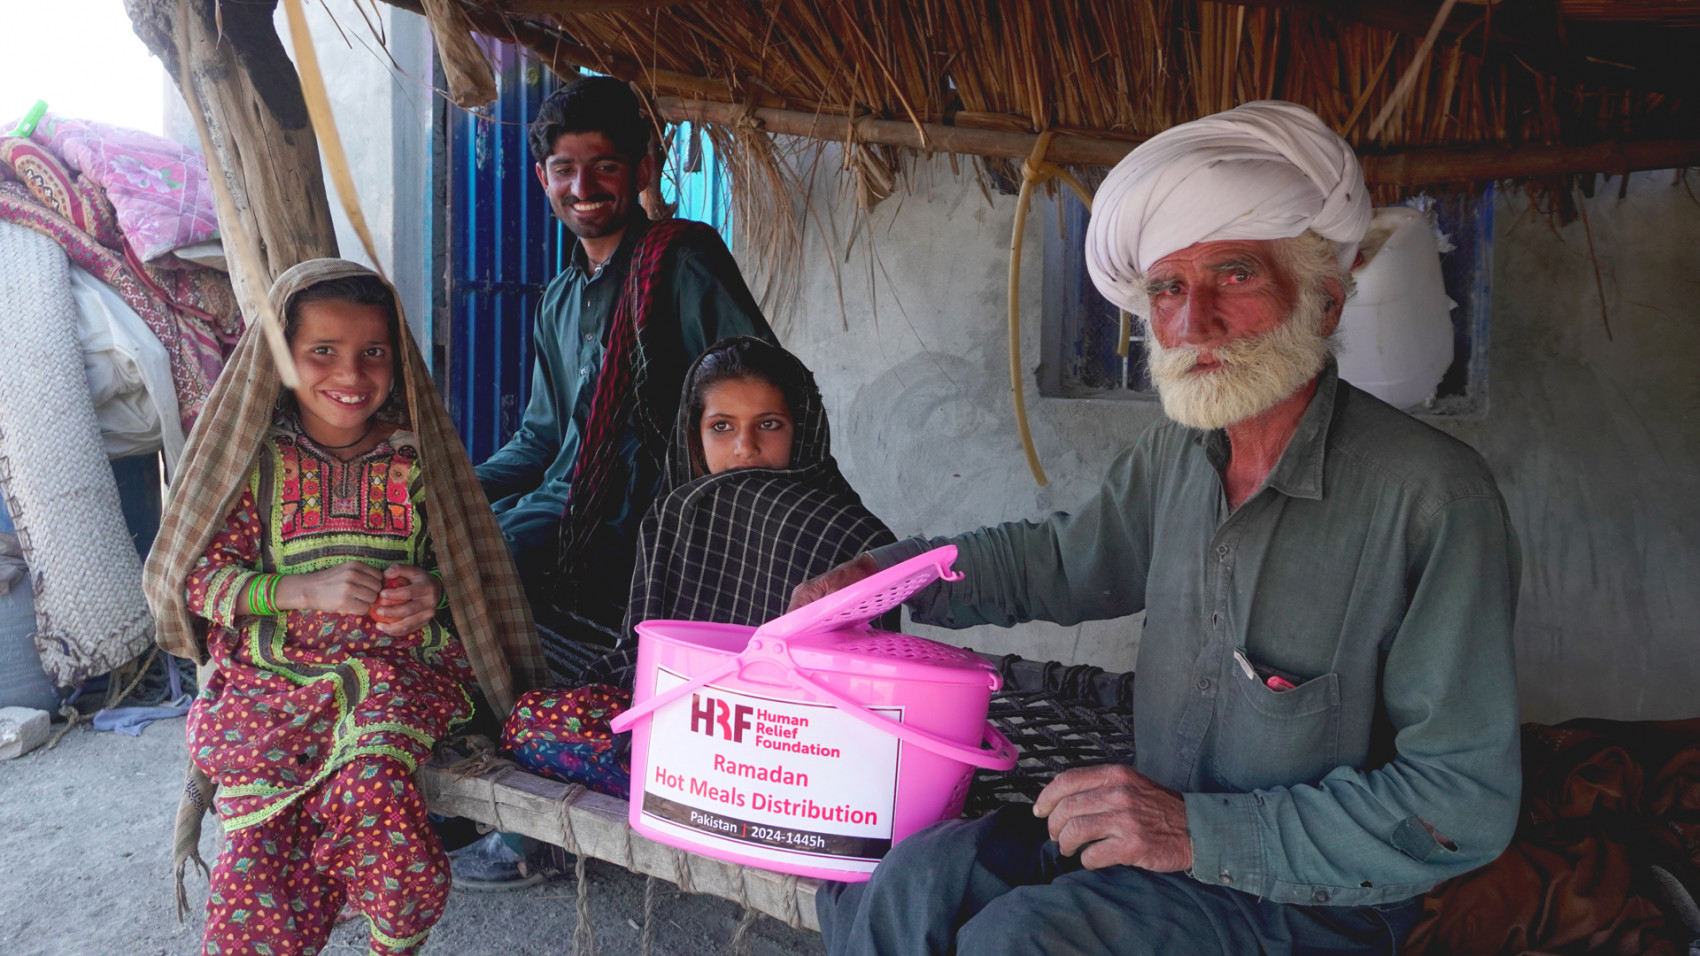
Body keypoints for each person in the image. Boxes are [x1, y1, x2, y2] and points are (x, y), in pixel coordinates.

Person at [793, 101, 1522, 956]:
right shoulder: (1179, 454)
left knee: (1023, 943)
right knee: (905, 881)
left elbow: (1460, 799)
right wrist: (886, 578)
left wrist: (1195, 832)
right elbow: (1066, 562)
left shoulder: (1431, 496)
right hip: (1152, 850)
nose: (1192, 321)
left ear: (1323, 303)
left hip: (1302, 900)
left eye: (1236, 276)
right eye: (1169, 288)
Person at [142, 259, 546, 955]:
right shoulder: (254, 465)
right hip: (273, 687)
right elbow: (197, 581)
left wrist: (431, 595)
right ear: (282, 359)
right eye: (322, 352)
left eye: (374, 353)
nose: (351, 375)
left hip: (393, 680)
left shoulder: (419, 463)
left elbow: (471, 576)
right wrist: (296, 589)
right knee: (254, 885)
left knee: (377, 806)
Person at [473, 76, 775, 674]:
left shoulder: (683, 261)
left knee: (477, 574)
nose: (582, 188)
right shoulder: (558, 298)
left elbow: (763, 396)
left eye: (604, 166)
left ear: (642, 171)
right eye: (564, 169)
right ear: (543, 179)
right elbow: (540, 440)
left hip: (649, 521)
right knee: (436, 547)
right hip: (558, 509)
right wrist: (454, 490)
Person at [625, 335, 896, 639]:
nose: (745, 447)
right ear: (695, 438)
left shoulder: (857, 539)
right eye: (722, 426)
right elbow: (641, 650)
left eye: (768, 424)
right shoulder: (671, 518)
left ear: (801, 429)